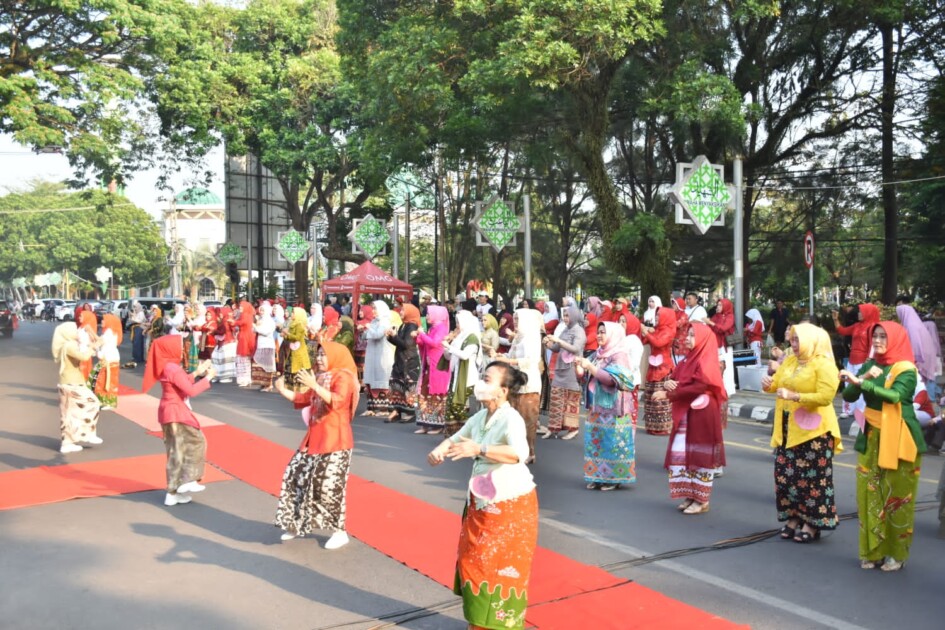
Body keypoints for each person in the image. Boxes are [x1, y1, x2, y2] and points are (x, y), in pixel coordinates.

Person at [426, 362, 537, 630]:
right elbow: (457, 438)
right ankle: (479, 623)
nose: (481, 384)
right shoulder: (480, 417)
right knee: (473, 563)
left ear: (503, 390)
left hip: (510, 505)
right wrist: (440, 450)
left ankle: (495, 626)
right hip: (481, 503)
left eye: (488, 380)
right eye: (482, 378)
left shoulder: (511, 419)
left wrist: (480, 448)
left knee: (497, 569)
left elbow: (518, 454)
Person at [840, 321, 926, 571]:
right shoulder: (870, 365)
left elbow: (897, 396)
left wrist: (863, 383)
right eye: (874, 336)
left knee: (898, 496)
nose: (877, 341)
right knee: (869, 493)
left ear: (896, 339)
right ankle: (872, 551)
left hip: (900, 436)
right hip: (871, 435)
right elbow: (847, 397)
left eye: (882, 337)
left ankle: (897, 554)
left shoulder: (906, 369)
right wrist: (862, 378)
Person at [274, 341, 358, 550]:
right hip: (314, 439)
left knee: (328, 488)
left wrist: (314, 385)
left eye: (323, 355)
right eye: (318, 354)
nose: (319, 358)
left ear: (335, 355)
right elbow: (304, 399)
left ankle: (339, 532)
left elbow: (337, 401)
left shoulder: (344, 377)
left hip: (336, 441)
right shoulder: (321, 376)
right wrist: (282, 389)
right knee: (295, 477)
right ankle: (293, 523)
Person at [762, 323, 843, 543]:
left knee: (813, 480)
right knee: (787, 475)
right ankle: (794, 517)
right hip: (788, 427)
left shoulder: (824, 364)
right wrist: (768, 384)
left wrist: (796, 396)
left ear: (811, 341)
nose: (793, 344)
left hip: (814, 432)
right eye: (793, 339)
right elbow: (777, 384)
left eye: (798, 340)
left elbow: (826, 396)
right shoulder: (789, 361)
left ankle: (813, 523)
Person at [653, 323, 726, 514]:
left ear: (703, 339)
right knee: (683, 453)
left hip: (702, 415)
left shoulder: (706, 359)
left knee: (699, 454)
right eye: (689, 334)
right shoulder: (688, 359)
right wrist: (669, 383)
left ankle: (702, 500)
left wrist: (670, 394)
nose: (688, 338)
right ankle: (690, 495)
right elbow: (679, 378)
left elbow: (699, 386)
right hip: (687, 413)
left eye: (693, 335)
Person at [142, 335, 216, 506]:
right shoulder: (172, 368)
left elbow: (180, 383)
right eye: (180, 345)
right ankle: (187, 479)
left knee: (176, 452)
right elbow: (190, 390)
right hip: (176, 413)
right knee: (197, 442)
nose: (184, 348)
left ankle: (172, 492)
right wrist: (208, 378)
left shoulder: (167, 366)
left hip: (168, 412)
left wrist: (197, 372)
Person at [577, 321, 638, 491]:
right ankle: (597, 476)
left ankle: (613, 478)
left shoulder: (620, 355)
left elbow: (613, 381)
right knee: (595, 442)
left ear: (613, 334)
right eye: (598, 332)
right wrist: (580, 369)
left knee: (612, 443)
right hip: (596, 407)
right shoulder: (598, 354)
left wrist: (590, 367)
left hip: (614, 408)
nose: (599, 335)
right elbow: (585, 377)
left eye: (603, 332)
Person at [495, 308, 545, 463]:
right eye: (515, 319)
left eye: (518, 320)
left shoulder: (531, 338)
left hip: (528, 385)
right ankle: (516, 450)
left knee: (528, 420)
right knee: (513, 419)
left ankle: (530, 452)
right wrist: (499, 356)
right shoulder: (519, 338)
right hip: (515, 382)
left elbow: (530, 360)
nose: (515, 322)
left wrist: (508, 361)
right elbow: (511, 355)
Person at [52, 322, 103, 453]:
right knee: (93, 403)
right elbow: (84, 356)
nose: (77, 332)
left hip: (70, 382)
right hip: (71, 383)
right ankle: (87, 433)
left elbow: (86, 352)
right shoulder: (69, 345)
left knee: (69, 414)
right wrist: (94, 346)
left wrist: (92, 343)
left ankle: (68, 442)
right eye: (74, 330)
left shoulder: (69, 344)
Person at [544, 304, 586, 439]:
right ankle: (553, 428)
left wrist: (559, 342)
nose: (565, 318)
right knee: (556, 397)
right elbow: (556, 348)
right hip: (560, 367)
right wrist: (548, 343)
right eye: (564, 316)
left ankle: (573, 429)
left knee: (570, 400)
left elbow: (575, 349)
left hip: (572, 369)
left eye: (568, 316)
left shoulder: (579, 331)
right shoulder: (565, 329)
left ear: (574, 316)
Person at [832, 303, 880, 421]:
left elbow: (874, 345)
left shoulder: (873, 327)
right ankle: (847, 410)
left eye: (861, 311)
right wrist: (835, 319)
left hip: (863, 361)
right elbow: (842, 331)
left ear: (868, 313)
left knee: (860, 385)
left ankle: (861, 411)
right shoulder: (857, 325)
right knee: (848, 384)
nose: (858, 313)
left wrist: (870, 359)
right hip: (852, 359)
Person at [442, 310, 483, 435]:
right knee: (450, 406)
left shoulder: (472, 338)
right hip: (456, 376)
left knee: (457, 406)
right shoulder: (460, 337)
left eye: (459, 322)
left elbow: (465, 355)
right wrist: (447, 346)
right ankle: (452, 436)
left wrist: (450, 348)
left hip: (467, 378)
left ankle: (466, 434)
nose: (457, 325)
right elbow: (449, 357)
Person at [415, 304, 451, 434]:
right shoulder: (433, 328)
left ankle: (438, 425)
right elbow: (425, 343)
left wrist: (422, 334)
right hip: (429, 367)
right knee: (424, 394)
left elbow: (435, 343)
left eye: (429, 314)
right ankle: (425, 423)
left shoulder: (441, 328)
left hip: (438, 368)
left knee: (436, 395)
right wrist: (419, 337)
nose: (427, 316)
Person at [641, 306, 676, 435]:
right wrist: (645, 332)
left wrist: (647, 332)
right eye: (656, 316)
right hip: (653, 366)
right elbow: (645, 340)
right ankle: (652, 425)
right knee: (651, 397)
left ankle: (663, 426)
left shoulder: (668, 331)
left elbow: (658, 343)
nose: (656, 318)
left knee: (661, 399)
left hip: (664, 369)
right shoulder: (657, 329)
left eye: (659, 316)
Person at [386, 303, 421, 423]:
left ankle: (410, 412)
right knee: (396, 383)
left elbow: (407, 344)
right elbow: (399, 342)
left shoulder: (412, 326)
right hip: (401, 359)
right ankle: (396, 410)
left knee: (408, 386)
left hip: (409, 361)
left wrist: (394, 336)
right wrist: (390, 337)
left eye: (403, 310)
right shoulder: (404, 325)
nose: (400, 312)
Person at [896, 303, 939, 401]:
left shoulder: (911, 325)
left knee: (922, 379)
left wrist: (913, 359)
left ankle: (927, 401)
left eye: (899, 313)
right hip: (927, 353)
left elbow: (915, 344)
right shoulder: (914, 322)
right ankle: (927, 400)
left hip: (921, 355)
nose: (898, 316)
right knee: (927, 379)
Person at [363, 301, 395, 417]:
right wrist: (365, 329)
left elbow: (377, 335)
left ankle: (384, 408)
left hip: (382, 354)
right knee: (371, 377)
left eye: (375, 308)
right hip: (372, 353)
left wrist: (368, 328)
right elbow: (367, 335)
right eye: (372, 308)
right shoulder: (374, 321)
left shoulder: (384, 321)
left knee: (381, 378)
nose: (373, 311)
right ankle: (371, 407)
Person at [282, 306, 312, 407]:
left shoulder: (299, 325)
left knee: (298, 369)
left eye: (294, 313)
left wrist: (287, 334)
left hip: (299, 352)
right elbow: (290, 337)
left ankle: (301, 392)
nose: (292, 314)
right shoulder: (292, 323)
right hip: (293, 350)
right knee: (290, 369)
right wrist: (285, 335)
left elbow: (297, 338)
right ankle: (292, 391)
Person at [706, 297, 736, 396]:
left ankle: (728, 391)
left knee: (727, 369)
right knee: (716, 368)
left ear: (725, 306)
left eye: (720, 305)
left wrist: (710, 323)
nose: (717, 307)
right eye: (717, 305)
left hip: (724, 346)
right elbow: (709, 327)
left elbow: (723, 328)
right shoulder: (716, 316)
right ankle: (718, 390)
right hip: (715, 345)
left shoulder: (730, 316)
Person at [92, 313, 122, 410]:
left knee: (107, 381)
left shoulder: (109, 332)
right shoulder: (109, 332)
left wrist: (90, 332)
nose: (101, 322)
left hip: (109, 358)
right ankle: (105, 401)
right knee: (104, 380)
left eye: (103, 320)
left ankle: (108, 402)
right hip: (109, 358)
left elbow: (100, 341)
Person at [252, 301, 278, 392]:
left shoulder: (270, 321)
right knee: (259, 365)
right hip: (260, 344)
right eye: (260, 309)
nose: (261, 311)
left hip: (267, 345)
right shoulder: (261, 319)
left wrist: (256, 328)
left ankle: (269, 385)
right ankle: (262, 384)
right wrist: (255, 326)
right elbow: (254, 330)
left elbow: (266, 332)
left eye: (263, 310)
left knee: (267, 365)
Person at [235, 300, 257, 387]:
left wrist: (234, 322)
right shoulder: (244, 315)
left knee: (244, 359)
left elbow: (241, 323)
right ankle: (244, 378)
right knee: (243, 359)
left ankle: (245, 378)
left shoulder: (246, 315)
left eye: (241, 306)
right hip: (243, 337)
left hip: (245, 338)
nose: (240, 307)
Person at [670, 297, 690, 365]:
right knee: (674, 361)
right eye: (673, 304)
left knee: (681, 363)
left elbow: (678, 324)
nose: (673, 305)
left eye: (675, 304)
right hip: (674, 342)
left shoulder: (684, 315)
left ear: (679, 305)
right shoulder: (673, 314)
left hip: (682, 343)